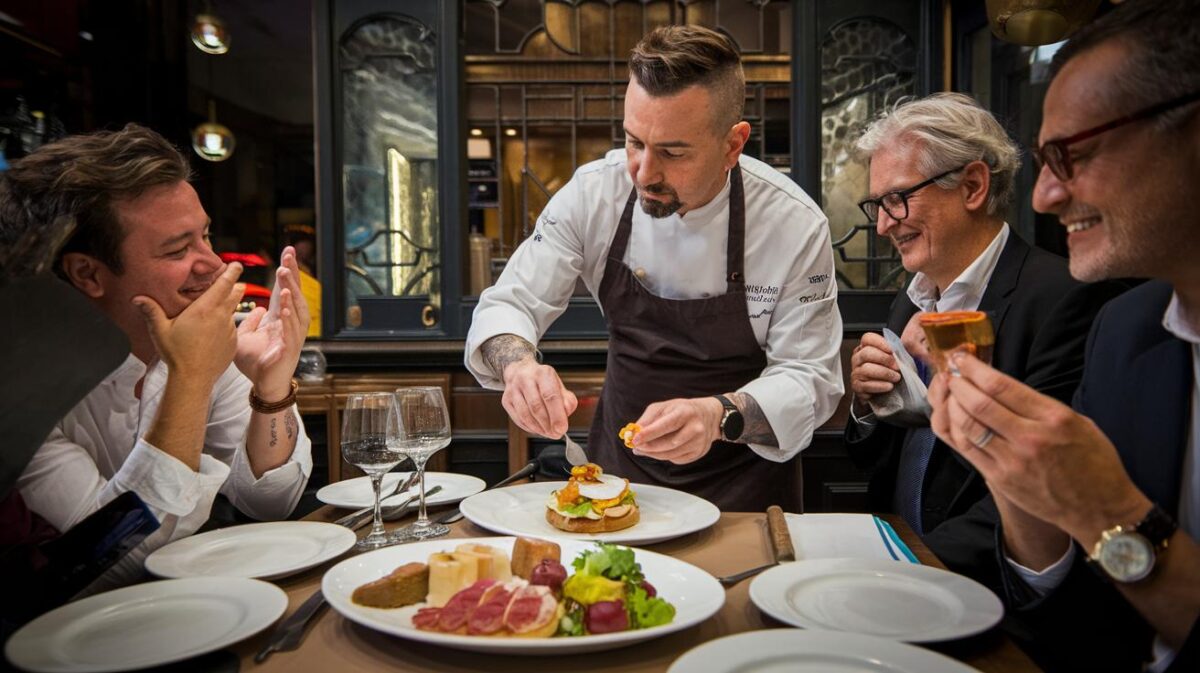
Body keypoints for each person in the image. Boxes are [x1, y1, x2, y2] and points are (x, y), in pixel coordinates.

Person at [465, 25, 842, 511]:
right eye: (634, 141)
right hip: (618, 483)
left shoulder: (793, 224)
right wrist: (517, 366)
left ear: (733, 144)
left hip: (745, 493)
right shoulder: (593, 194)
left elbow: (812, 378)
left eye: (672, 152)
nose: (643, 173)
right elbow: (510, 303)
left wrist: (717, 416)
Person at [928, 1, 1200, 670]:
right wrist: (1022, 487)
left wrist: (1109, 508)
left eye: (1072, 154)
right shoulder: (1128, 330)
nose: (1045, 195)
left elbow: (1120, 537)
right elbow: (1089, 621)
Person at [1, 124, 313, 590]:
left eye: (204, 236)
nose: (214, 264)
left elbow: (270, 500)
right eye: (177, 249)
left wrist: (270, 386)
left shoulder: (206, 338)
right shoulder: (23, 392)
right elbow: (117, 564)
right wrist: (190, 378)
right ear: (88, 273)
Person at [843, 93, 1123, 590]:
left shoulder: (1064, 300)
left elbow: (1045, 487)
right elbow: (880, 460)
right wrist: (868, 405)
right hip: (904, 565)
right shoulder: (909, 300)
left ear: (972, 186)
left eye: (897, 199)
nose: (883, 224)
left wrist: (905, 568)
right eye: (877, 205)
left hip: (994, 592)